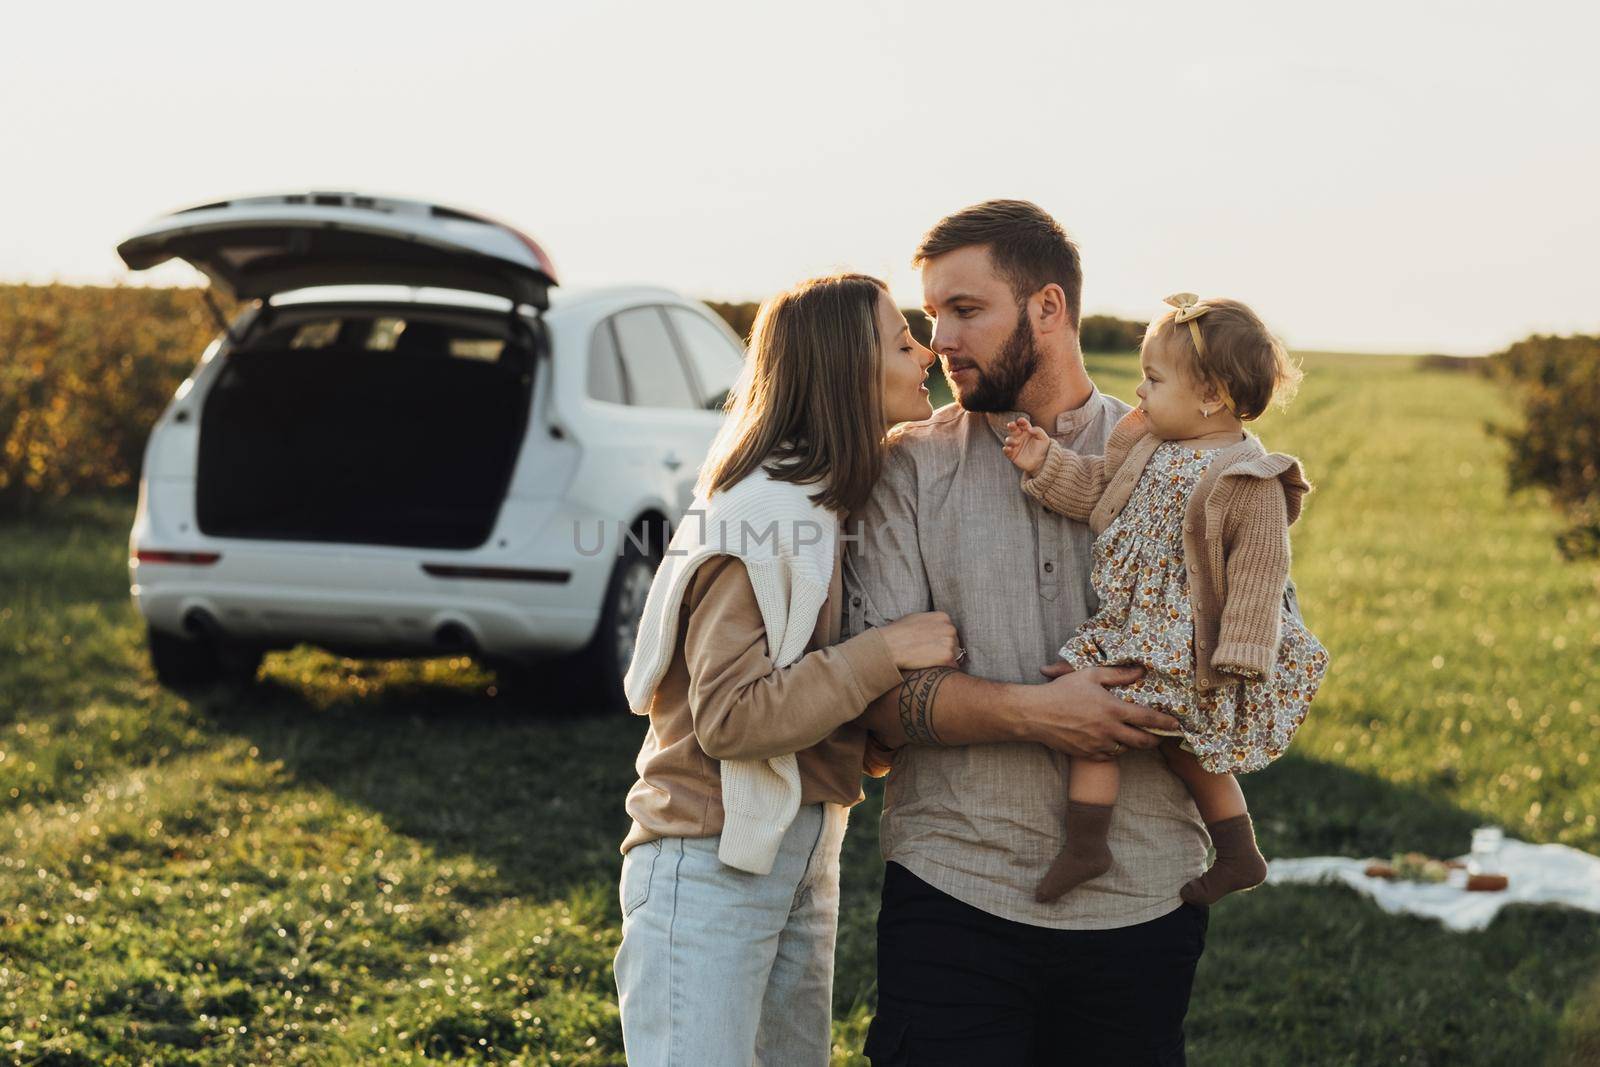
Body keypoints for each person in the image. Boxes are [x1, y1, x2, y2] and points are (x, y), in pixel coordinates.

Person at [846, 201, 1213, 1065]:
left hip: (1147, 894)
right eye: (931, 313)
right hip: (951, 889)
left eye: (965, 310)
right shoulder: (907, 466)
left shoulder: (1185, 457)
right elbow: (883, 706)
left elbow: (1245, 663)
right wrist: (1042, 712)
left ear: (1048, 308)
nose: (938, 338)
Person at [613, 273, 959, 1066]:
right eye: (903, 341)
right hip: (707, 860)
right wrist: (886, 652)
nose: (927, 352)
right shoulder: (762, 515)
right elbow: (731, 719)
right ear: (845, 367)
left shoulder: (823, 503)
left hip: (799, 851)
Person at [1001, 292, 1329, 905]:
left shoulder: (1247, 477)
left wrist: (1243, 653)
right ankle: (1096, 844)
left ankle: (1231, 852)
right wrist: (1044, 460)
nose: (1140, 392)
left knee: (1187, 749)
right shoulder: (1145, 443)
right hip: (1135, 623)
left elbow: (1261, 572)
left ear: (1212, 395)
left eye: (1153, 379)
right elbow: (1096, 491)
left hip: (1191, 638)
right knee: (1102, 713)